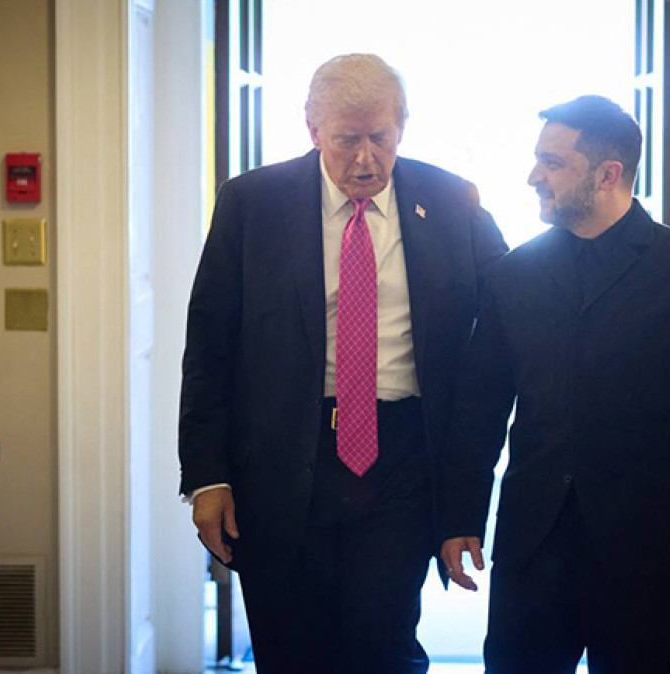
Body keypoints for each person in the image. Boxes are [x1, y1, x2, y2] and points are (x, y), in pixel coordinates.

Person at [179, 53, 507, 673]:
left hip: (401, 459)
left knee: (383, 645)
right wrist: (207, 476)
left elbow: (516, 297)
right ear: (313, 130)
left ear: (402, 126)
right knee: (290, 649)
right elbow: (209, 348)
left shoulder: (450, 200)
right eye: (345, 140)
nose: (365, 159)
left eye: (379, 138)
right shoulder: (252, 203)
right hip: (281, 462)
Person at [438, 95, 670, 673]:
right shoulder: (512, 276)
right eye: (538, 159)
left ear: (609, 174)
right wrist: (459, 516)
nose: (534, 176)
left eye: (553, 163)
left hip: (646, 545)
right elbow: (479, 410)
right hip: (532, 542)